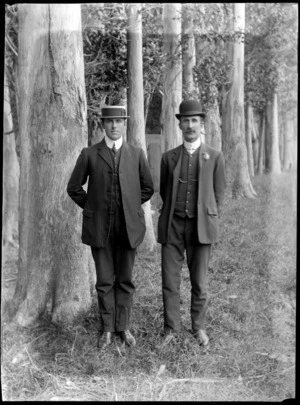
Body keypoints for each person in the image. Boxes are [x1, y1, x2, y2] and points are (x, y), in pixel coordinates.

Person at [67, 105, 154, 350]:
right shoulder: (90, 154)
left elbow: (148, 187)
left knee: (125, 279)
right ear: (102, 124)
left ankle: (123, 327)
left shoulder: (136, 154)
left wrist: (129, 206)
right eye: (109, 121)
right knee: (104, 280)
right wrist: (91, 207)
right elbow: (74, 188)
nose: (114, 125)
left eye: (118, 121)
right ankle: (106, 329)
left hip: (129, 229)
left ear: (124, 123)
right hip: (100, 229)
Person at [157, 99, 226, 347]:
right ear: (180, 124)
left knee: (199, 281)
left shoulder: (215, 157)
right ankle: (171, 329)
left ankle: (198, 328)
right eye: (185, 120)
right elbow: (165, 191)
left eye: (194, 120)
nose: (190, 125)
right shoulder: (169, 158)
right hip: (173, 227)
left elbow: (217, 195)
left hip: (201, 228)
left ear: (201, 124)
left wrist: (203, 216)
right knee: (170, 281)